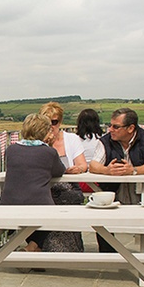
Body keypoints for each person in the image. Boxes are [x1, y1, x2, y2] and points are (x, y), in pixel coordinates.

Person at [88, 107, 144, 253]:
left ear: (130, 128)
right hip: (115, 190)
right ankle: (109, 255)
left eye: (116, 127)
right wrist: (107, 170)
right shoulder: (105, 141)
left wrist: (134, 170)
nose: (110, 129)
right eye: (109, 125)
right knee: (100, 215)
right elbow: (93, 165)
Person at [0, 113, 65, 252]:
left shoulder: (11, 150)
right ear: (45, 132)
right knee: (53, 214)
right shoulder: (48, 152)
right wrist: (50, 146)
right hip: (38, 205)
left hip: (8, 204)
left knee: (32, 213)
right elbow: (59, 171)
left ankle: (33, 249)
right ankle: (33, 247)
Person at [38, 102, 86, 252]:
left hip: (68, 187)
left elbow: (83, 164)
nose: (51, 126)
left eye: (54, 122)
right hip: (45, 189)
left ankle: (35, 247)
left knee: (65, 198)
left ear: (60, 122)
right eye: (47, 122)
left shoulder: (72, 139)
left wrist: (77, 169)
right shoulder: (36, 142)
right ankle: (39, 247)